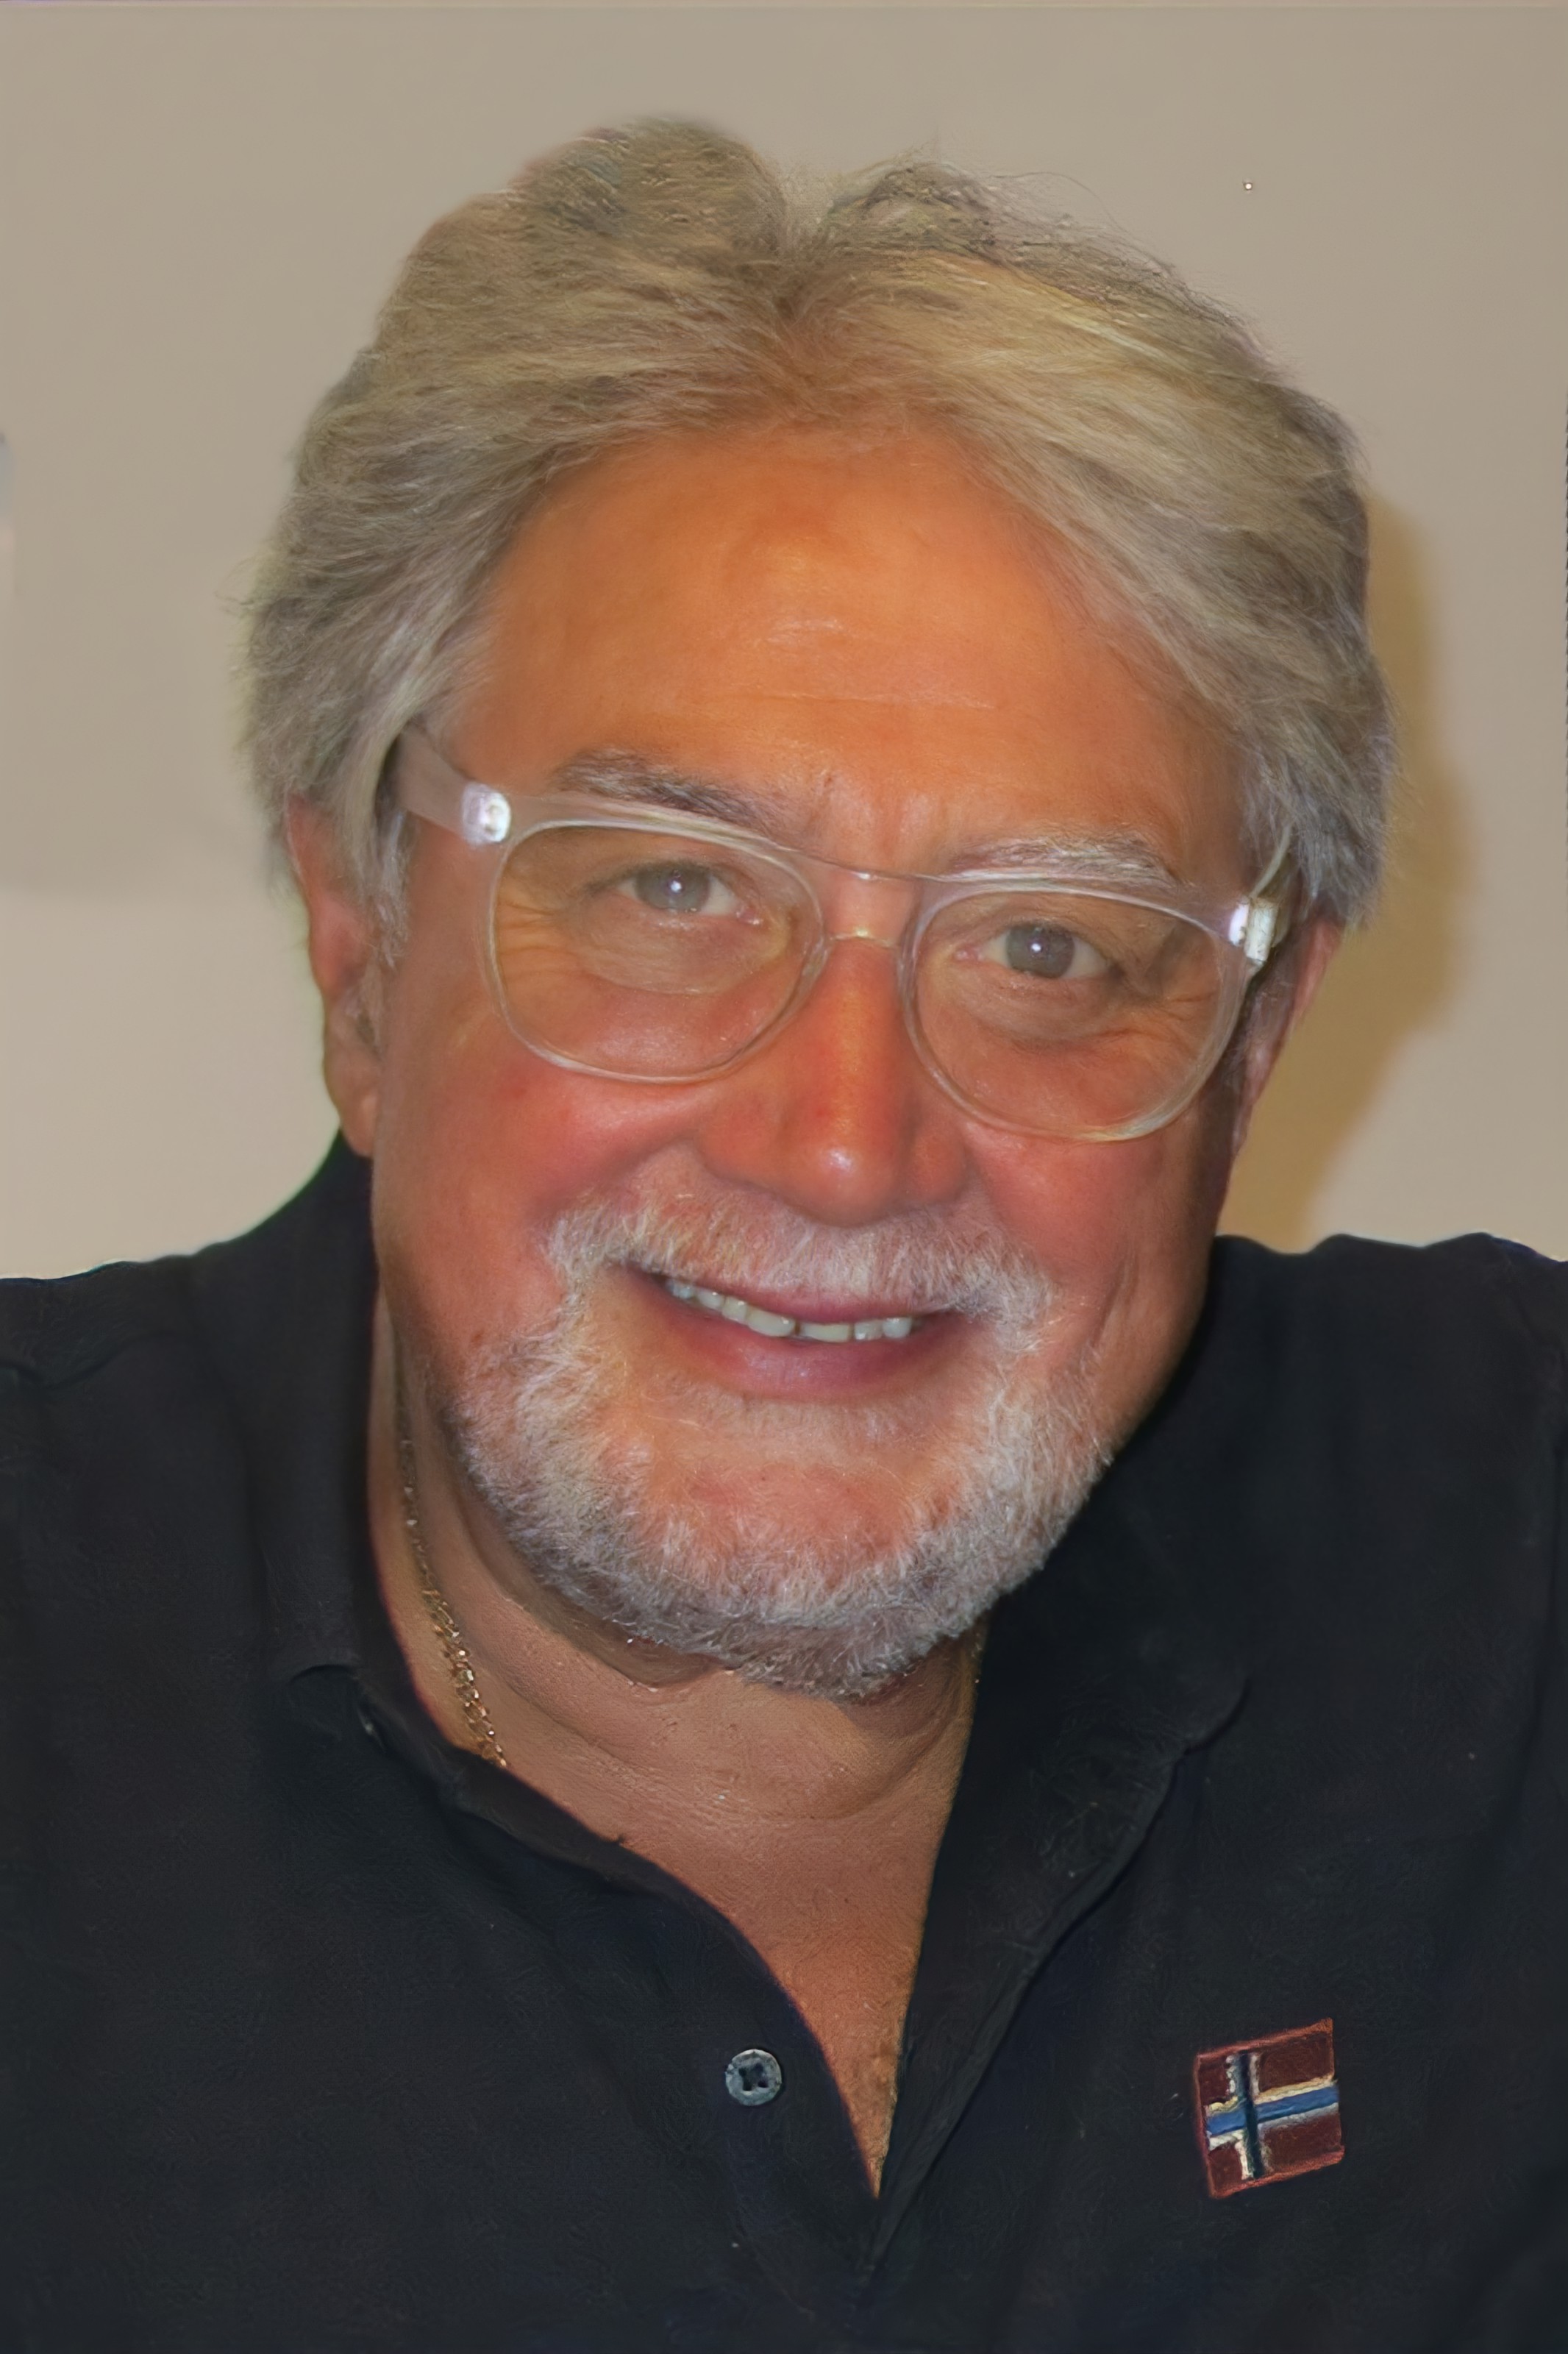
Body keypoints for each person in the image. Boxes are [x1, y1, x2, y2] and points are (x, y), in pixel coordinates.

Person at [3, 118, 1564, 2354]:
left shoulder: (1505, 1565)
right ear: (362, 944)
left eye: (1046, 945)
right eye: (671, 888)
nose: (843, 1147)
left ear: (1250, 1044)